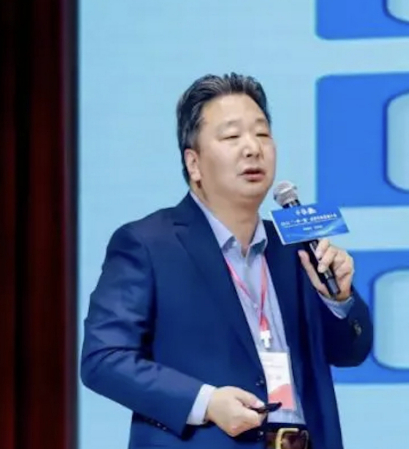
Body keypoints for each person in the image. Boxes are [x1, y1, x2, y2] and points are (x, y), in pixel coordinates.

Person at [80, 73, 373, 449]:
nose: (252, 148)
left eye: (262, 134)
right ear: (194, 163)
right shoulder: (148, 244)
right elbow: (104, 359)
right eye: (232, 137)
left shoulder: (295, 247)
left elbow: (350, 352)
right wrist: (206, 402)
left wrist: (338, 299)